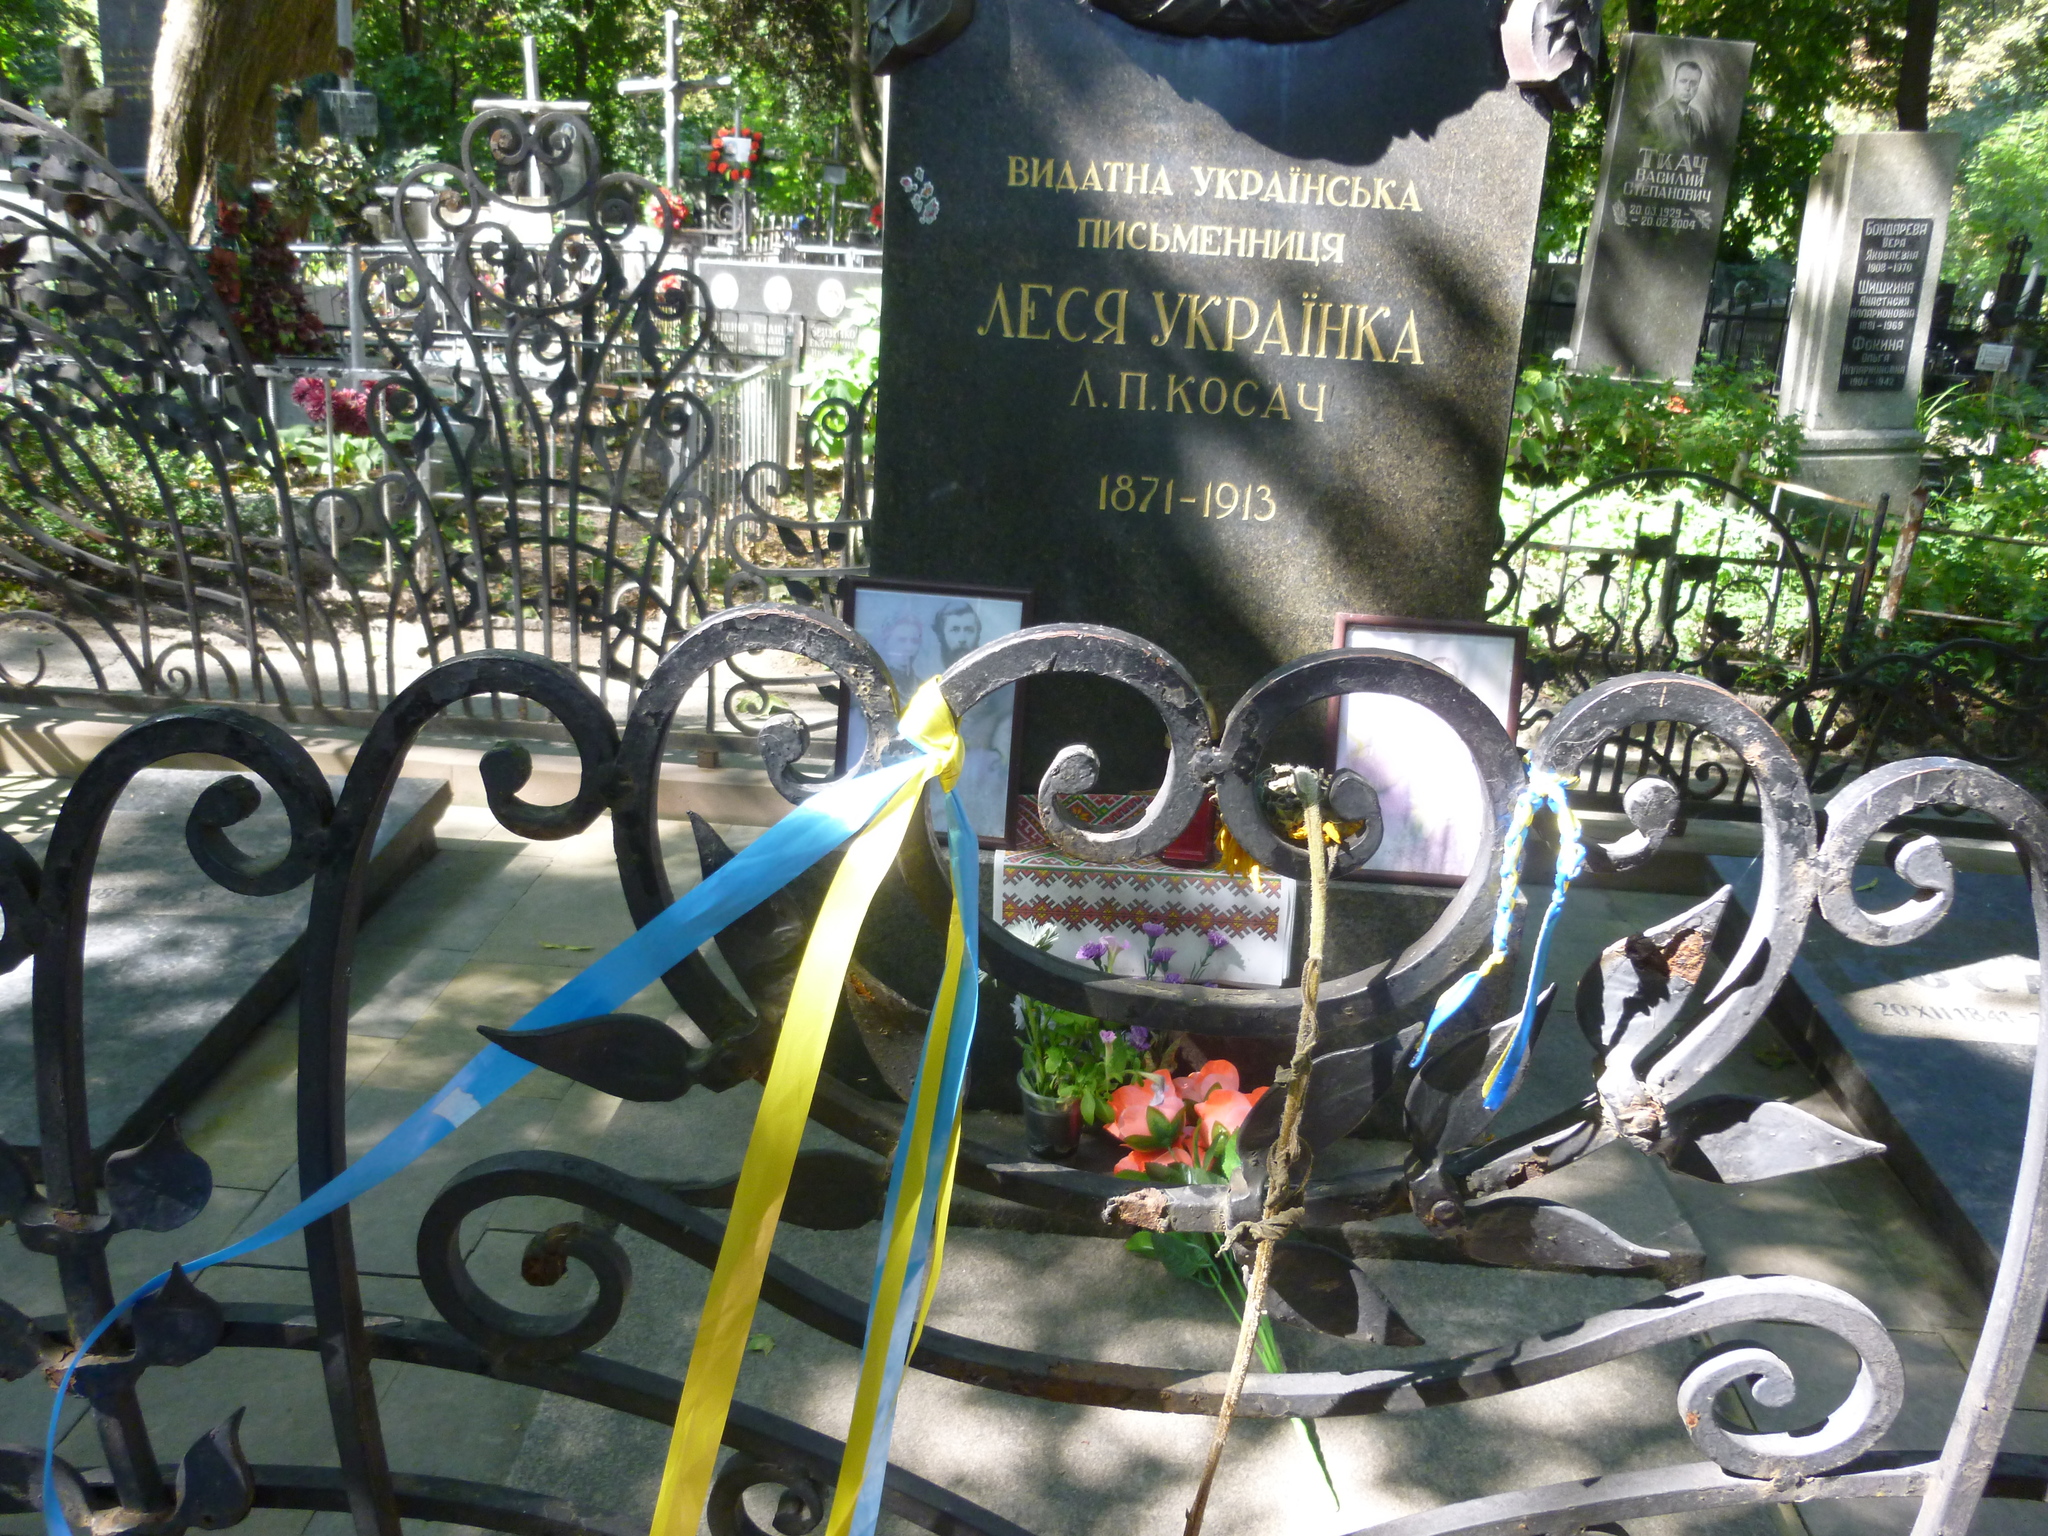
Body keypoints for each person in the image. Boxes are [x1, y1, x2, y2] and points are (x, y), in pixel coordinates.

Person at [1642, 60, 1710, 154]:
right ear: (1674, 83)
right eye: (1683, 81)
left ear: (1697, 87)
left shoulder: (1697, 117)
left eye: (1693, 83)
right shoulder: (1655, 118)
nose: (1687, 88)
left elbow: (1700, 153)